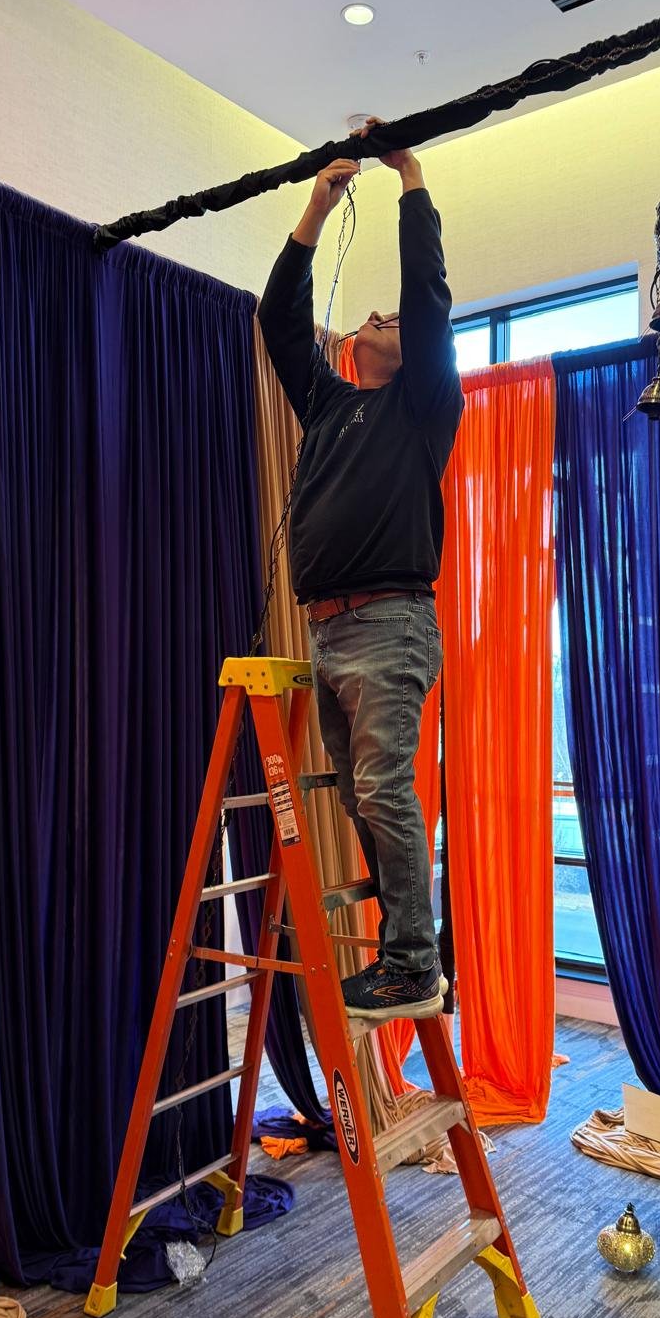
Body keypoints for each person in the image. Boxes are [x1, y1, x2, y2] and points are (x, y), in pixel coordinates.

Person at [258, 121, 464, 1023]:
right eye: (372, 318)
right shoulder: (331, 403)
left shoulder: (426, 406)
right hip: (330, 627)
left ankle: (415, 963)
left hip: (387, 624)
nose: (382, 318)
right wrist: (317, 206)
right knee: (358, 797)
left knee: (381, 789)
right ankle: (405, 947)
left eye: (393, 322)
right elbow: (277, 319)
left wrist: (409, 177)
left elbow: (426, 297)